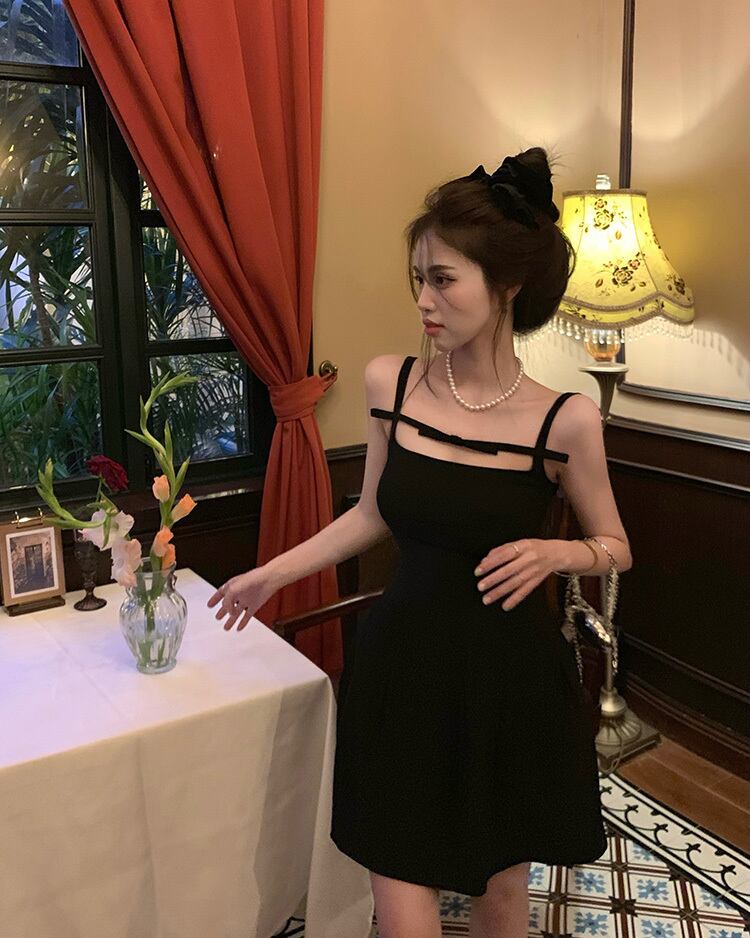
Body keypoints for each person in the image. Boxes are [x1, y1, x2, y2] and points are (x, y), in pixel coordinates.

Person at [208, 147, 633, 938]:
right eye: (418, 279)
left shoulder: (566, 419)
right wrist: (271, 573)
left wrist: (561, 553)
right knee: (401, 889)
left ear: (506, 286)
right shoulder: (391, 384)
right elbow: (371, 514)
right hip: (403, 668)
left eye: (443, 280)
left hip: (508, 679)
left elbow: (616, 544)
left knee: (501, 892)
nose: (425, 302)